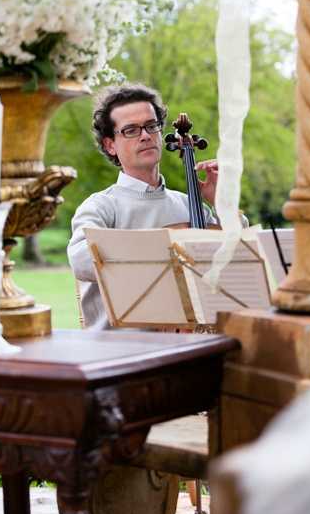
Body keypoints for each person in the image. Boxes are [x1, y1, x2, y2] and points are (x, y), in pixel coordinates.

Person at [67, 83, 245, 330]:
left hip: (194, 345)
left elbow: (240, 253)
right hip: (122, 353)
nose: (145, 135)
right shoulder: (101, 206)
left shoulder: (187, 204)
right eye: (130, 130)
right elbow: (81, 260)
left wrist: (222, 204)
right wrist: (166, 242)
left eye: (152, 126)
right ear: (110, 145)